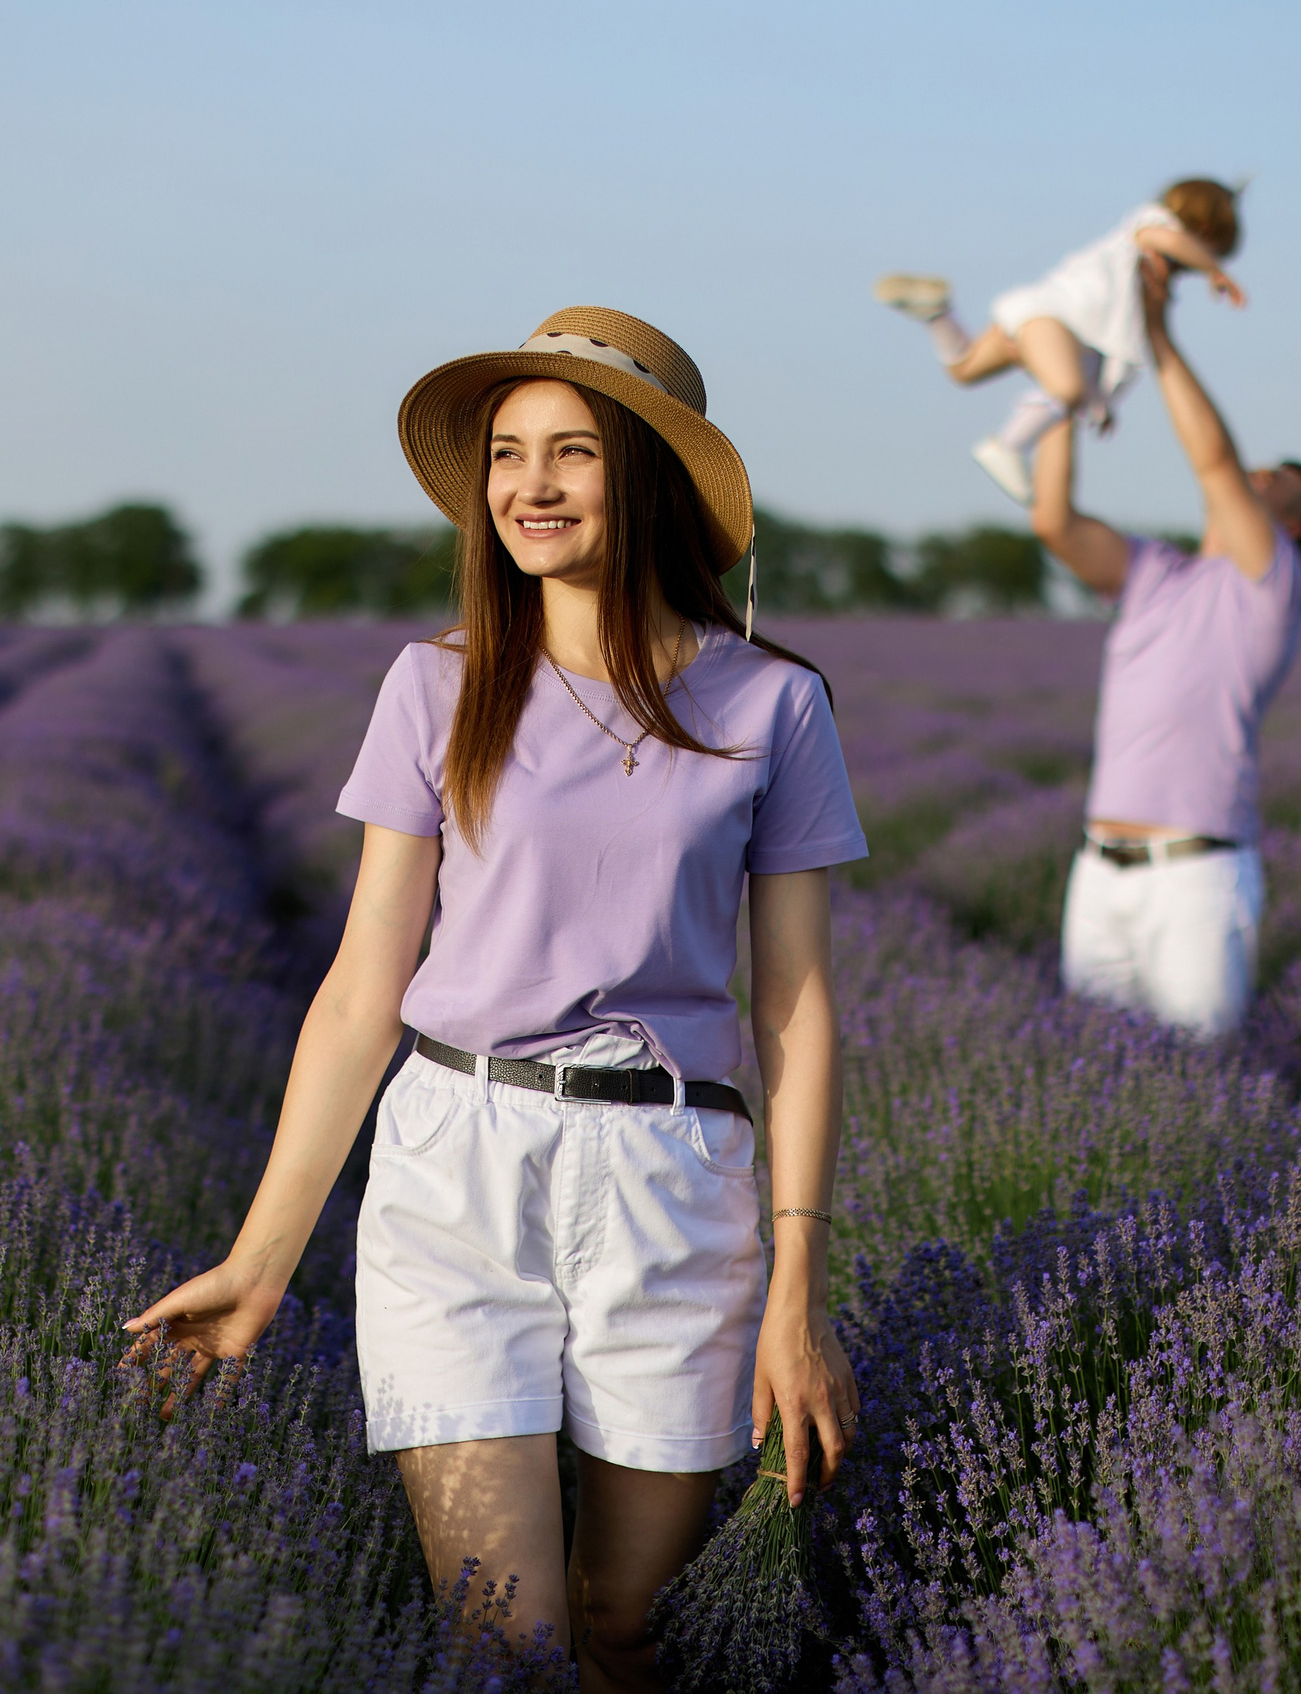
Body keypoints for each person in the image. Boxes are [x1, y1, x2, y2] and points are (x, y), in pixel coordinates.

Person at [124, 307, 867, 1690]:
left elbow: (798, 1010)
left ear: (646, 477)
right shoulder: (437, 684)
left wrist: (798, 1291)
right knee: (503, 1639)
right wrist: (261, 1261)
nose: (531, 484)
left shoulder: (772, 704)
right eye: (509, 454)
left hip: (671, 1171)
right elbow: (362, 989)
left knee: (631, 1624)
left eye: (572, 451)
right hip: (455, 1162)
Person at [1030, 253, 1301, 1039]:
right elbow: (1054, 522)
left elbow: (1213, 461)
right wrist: (1064, 397)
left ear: (1291, 526)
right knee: (1092, 1067)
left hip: (1198, 877)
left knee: (1202, 1072)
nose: (1256, 474)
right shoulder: (1155, 570)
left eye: (1276, 480)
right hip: (1099, 870)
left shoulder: (1273, 585)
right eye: (1260, 468)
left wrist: (1157, 335)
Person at [874, 177, 1248, 503]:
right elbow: (1166, 239)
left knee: (964, 369)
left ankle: (937, 313)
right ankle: (1007, 446)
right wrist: (1215, 270)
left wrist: (1102, 400)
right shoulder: (1152, 225)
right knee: (1066, 388)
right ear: (1201, 231)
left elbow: (1112, 348)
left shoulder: (1137, 287)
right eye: (1190, 263)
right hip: (1053, 317)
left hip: (1047, 317)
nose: (1184, 273)